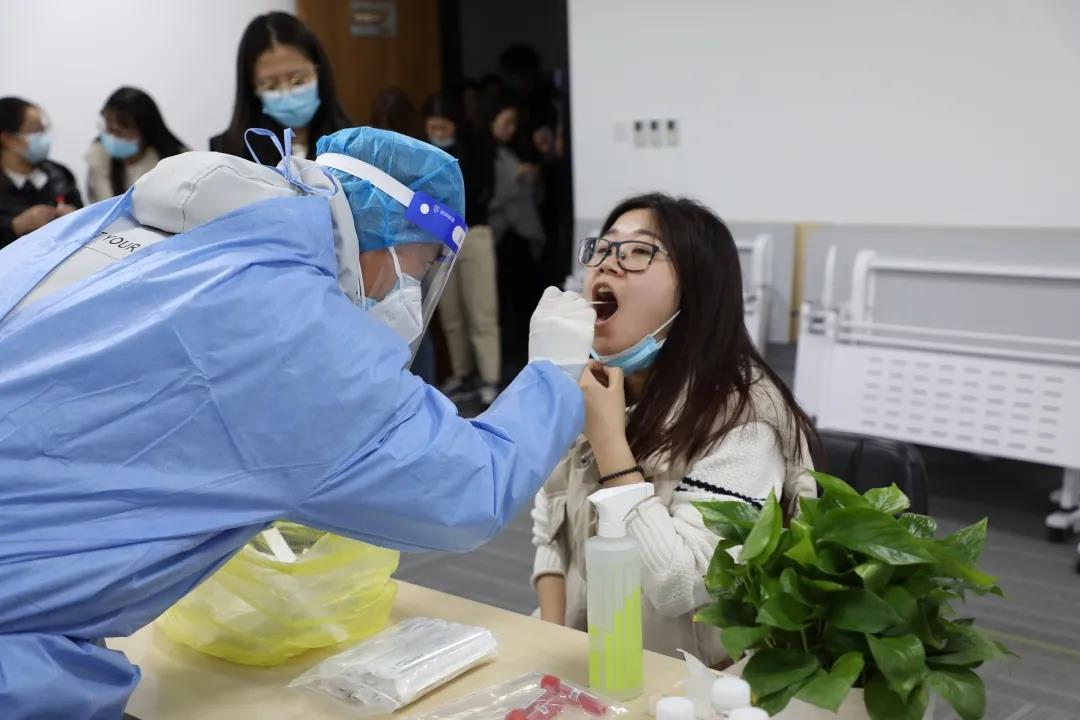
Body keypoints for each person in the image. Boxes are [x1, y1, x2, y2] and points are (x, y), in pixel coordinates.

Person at [0, 126, 596, 718]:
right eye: (417, 269)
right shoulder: (292, 326)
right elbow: (468, 490)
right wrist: (551, 372)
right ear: (384, 238)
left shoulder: (113, 228)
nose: (411, 294)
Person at [531, 193, 819, 666]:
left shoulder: (745, 418)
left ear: (696, 290)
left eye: (638, 251)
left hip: (686, 679)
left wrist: (610, 444)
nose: (607, 263)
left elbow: (678, 583)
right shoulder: (590, 380)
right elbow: (550, 526)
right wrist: (552, 639)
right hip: (592, 659)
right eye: (602, 248)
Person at [423, 91, 502, 407]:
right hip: (439, 237)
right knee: (450, 313)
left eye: (444, 128)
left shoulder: (477, 145)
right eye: (433, 128)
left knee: (481, 310)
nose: (438, 134)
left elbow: (485, 190)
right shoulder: (424, 152)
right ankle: (462, 373)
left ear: (456, 124)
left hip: (474, 233)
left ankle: (490, 377)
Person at [211, 11, 351, 161]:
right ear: (253, 87)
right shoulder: (227, 153)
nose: (286, 94)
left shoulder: (352, 144)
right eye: (270, 86)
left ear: (318, 71)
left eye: (298, 81)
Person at [476, 91, 546, 369]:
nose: (511, 129)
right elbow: (485, 197)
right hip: (498, 237)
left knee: (526, 300)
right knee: (500, 304)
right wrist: (516, 179)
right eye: (506, 123)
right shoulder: (482, 153)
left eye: (514, 124)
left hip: (520, 236)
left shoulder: (513, 150)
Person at [0, 97, 82, 250]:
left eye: (43, 129)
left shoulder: (60, 174)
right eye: (35, 130)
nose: (44, 137)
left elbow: (84, 216)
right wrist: (15, 226)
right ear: (8, 139)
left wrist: (74, 215)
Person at [86, 87, 187, 203]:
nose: (113, 137)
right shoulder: (99, 158)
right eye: (109, 127)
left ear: (145, 129)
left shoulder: (175, 163)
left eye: (120, 131)